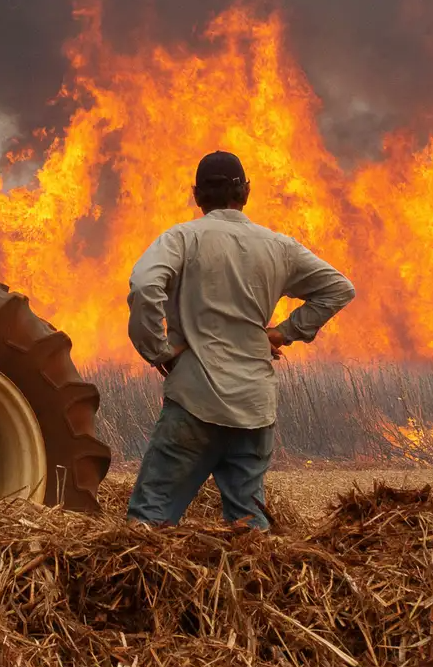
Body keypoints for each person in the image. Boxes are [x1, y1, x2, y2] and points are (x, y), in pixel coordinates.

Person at [125, 151, 356, 529]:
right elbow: (338, 289)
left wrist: (158, 351)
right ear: (245, 192)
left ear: (197, 195)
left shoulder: (182, 239)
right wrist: (284, 332)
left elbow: (146, 285)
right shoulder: (279, 247)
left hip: (194, 401)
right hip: (254, 408)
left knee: (149, 522)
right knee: (249, 532)